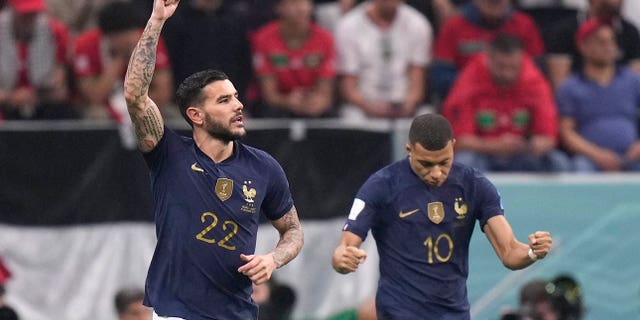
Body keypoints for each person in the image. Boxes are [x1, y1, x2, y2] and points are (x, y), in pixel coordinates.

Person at [123, 1, 304, 319]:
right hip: (174, 313)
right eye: (224, 100)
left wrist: (273, 259)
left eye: (236, 96)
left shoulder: (264, 167)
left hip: (237, 313)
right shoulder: (169, 154)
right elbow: (136, 96)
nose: (238, 105)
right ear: (196, 115)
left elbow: (293, 231)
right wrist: (156, 21)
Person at [331, 113, 553, 318]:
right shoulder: (381, 186)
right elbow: (345, 247)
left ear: (453, 147)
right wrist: (342, 259)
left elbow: (510, 253)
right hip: (399, 313)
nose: (436, 173)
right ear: (410, 150)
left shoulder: (475, 186)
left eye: (444, 162)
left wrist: (533, 252)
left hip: (453, 314)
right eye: (426, 164)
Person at [441, 34, 570, 172]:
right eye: (501, 67)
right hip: (482, 154)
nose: (507, 74)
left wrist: (535, 144)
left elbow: (549, 137)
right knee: (463, 162)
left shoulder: (535, 83)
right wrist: (495, 145)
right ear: (488, 59)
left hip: (522, 155)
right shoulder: (468, 83)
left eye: (514, 67)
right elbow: (459, 141)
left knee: (558, 162)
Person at [556, 19, 640, 172]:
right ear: (583, 46)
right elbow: (566, 132)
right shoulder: (570, 87)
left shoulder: (633, 81)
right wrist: (597, 155)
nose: (608, 47)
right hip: (589, 158)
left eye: (611, 41)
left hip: (632, 156)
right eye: (601, 42)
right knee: (579, 168)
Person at [335, 0, 432, 119]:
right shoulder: (348, 25)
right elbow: (349, 87)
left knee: (427, 117)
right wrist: (371, 107)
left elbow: (417, 83)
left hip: (403, 105)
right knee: (351, 117)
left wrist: (408, 104)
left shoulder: (418, 24)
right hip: (363, 105)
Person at [431, 0, 545, 100]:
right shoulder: (454, 26)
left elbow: (538, 72)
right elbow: (440, 77)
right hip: (469, 102)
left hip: (516, 103)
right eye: (490, 1)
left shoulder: (524, 24)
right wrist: (484, 82)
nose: (494, 3)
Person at [250, 0, 336, 118]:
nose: (301, 9)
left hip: (314, 105)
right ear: (279, 8)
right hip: (278, 106)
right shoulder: (263, 38)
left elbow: (325, 93)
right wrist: (287, 101)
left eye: (304, 3)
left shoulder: (325, 39)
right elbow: (269, 94)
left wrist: (318, 102)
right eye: (293, 3)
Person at [0, 0, 74, 120]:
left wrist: (37, 95)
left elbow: (60, 89)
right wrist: (12, 97)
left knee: (65, 113)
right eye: (25, 14)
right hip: (5, 104)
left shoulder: (55, 31)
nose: (30, 19)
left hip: (42, 101)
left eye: (34, 13)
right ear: (12, 11)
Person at [546, 0, 640, 88]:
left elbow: (635, 86)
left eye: (611, 41)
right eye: (601, 42)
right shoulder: (564, 31)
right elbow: (560, 85)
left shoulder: (630, 32)